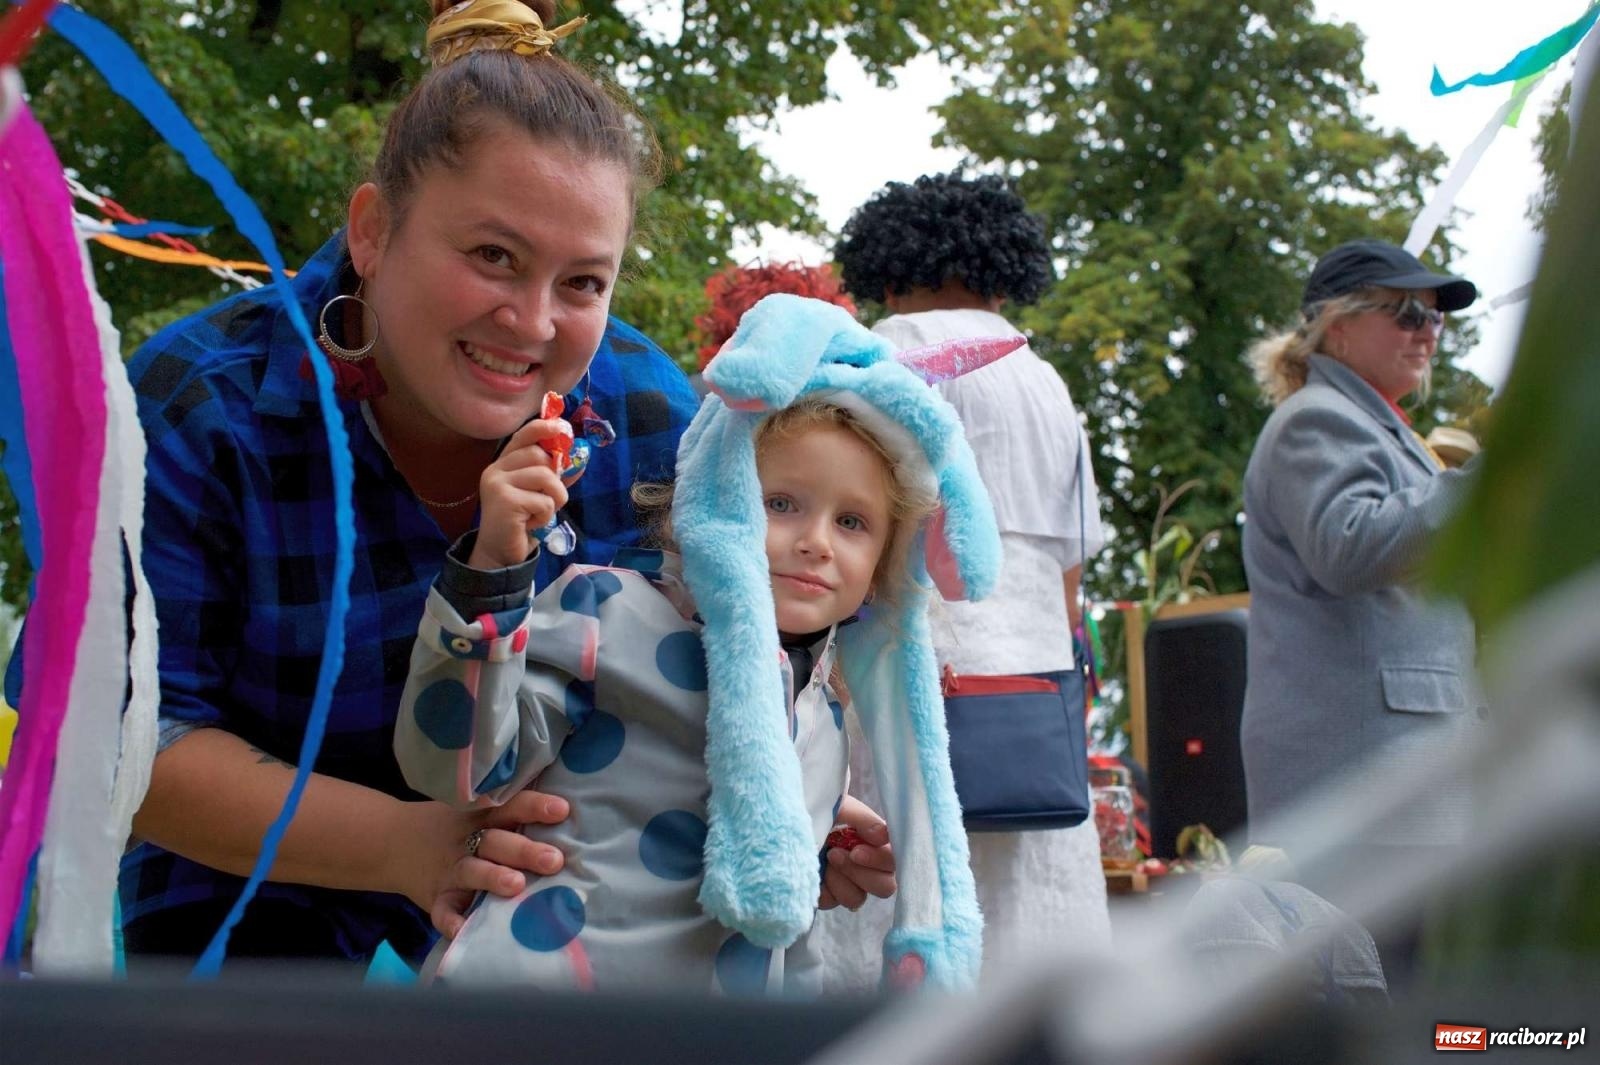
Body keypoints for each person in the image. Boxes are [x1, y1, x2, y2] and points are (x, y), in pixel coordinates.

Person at [3, 0, 888, 969]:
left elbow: (706, 667)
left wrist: (787, 796)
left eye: (582, 283)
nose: (533, 321)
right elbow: (112, 729)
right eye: (493, 257)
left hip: (556, 894)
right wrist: (401, 844)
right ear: (373, 231)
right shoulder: (200, 404)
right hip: (241, 886)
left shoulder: (649, 419)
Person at [395, 294, 1003, 991]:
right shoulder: (609, 612)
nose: (817, 542)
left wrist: (821, 842)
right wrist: (491, 576)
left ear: (885, 563)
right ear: (718, 495)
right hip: (538, 1009)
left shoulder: (824, 702)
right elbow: (459, 769)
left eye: (853, 522)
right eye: (781, 503)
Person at [818, 173, 1112, 985]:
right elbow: (1071, 565)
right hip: (1034, 691)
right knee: (1031, 914)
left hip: (913, 661)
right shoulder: (1046, 380)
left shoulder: (887, 353)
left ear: (890, 269)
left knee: (907, 890)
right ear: (1001, 272)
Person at [1240, 239, 1489, 973]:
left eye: (1436, 317)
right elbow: (1350, 547)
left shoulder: (1370, 424)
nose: (1427, 331)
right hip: (1367, 790)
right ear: (1336, 326)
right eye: (1406, 312)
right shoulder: (1316, 418)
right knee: (1393, 1000)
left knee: (1412, 1000)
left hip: (1393, 784)